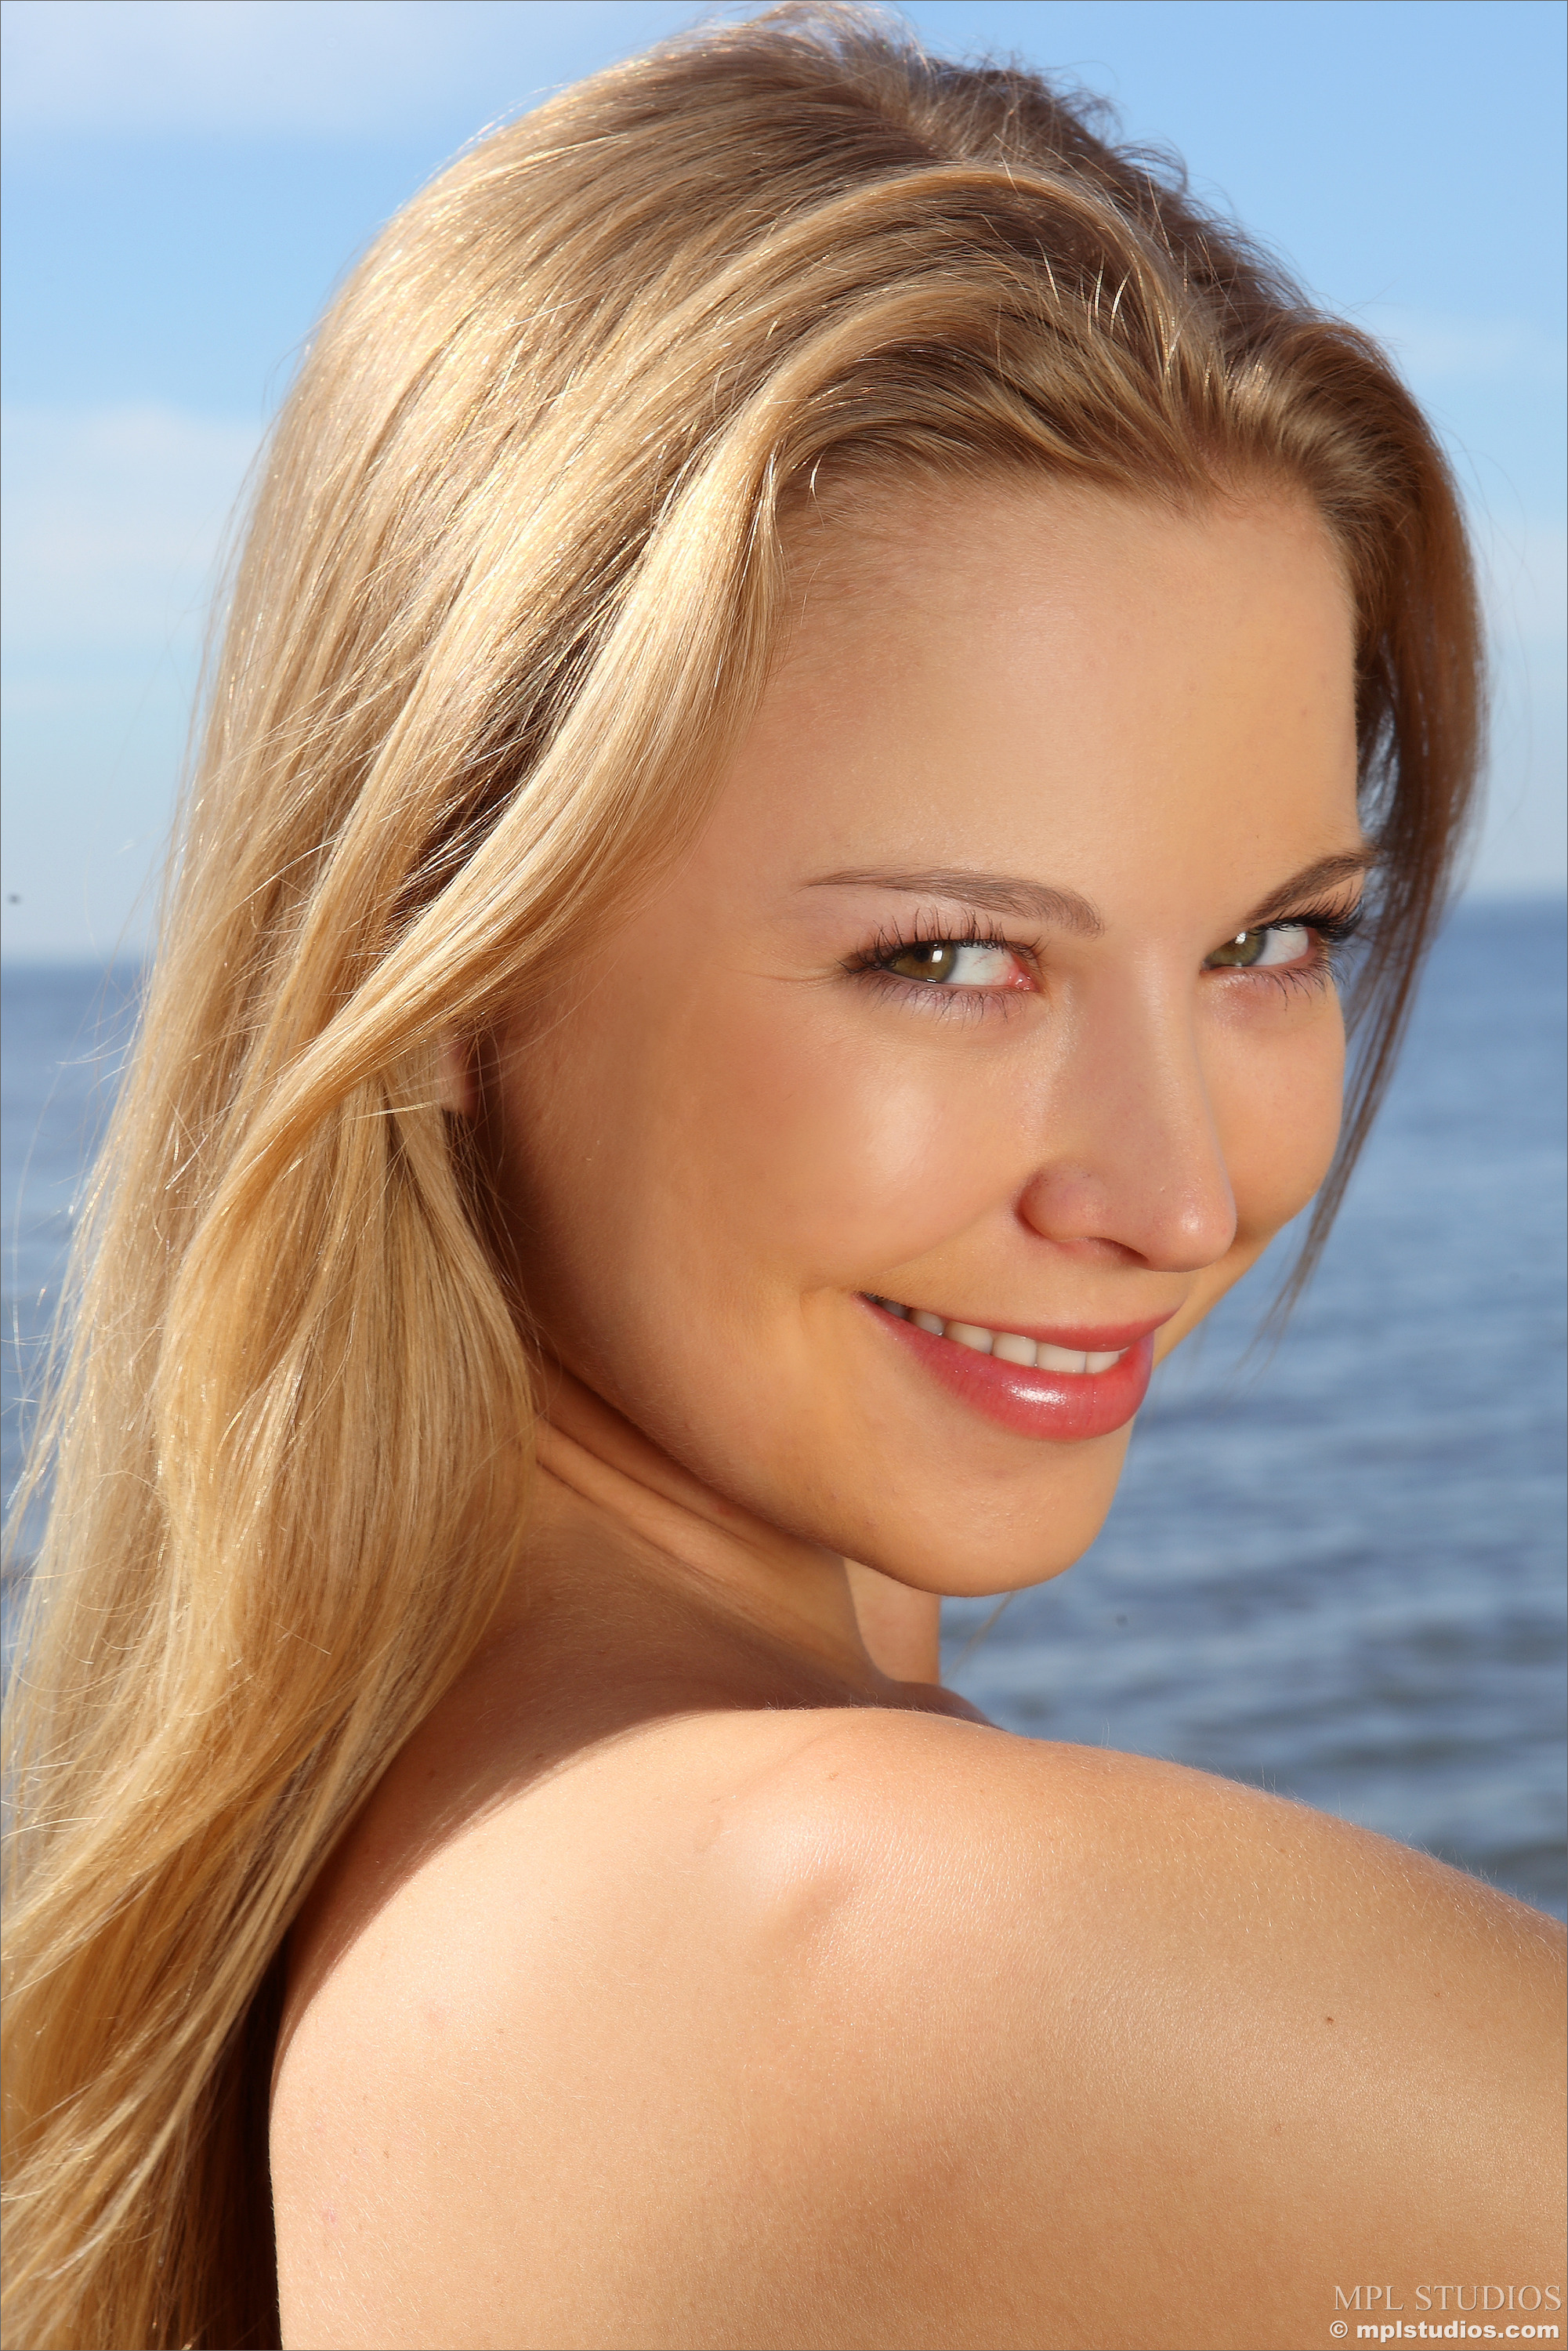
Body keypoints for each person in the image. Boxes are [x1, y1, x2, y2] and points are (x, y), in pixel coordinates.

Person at [3, 9, 1561, 2347]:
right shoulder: (881, 1956)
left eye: (1271, 943)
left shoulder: (435, 1892)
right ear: (448, 959)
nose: (1174, 1198)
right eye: (949, 960)